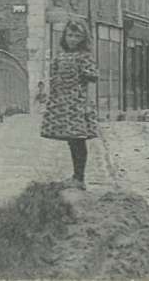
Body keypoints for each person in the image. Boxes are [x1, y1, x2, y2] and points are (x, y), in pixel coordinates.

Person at [40, 21, 98, 190]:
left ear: (83, 38)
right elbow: (54, 78)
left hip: (77, 102)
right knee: (71, 140)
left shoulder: (84, 56)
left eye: (77, 36)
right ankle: (75, 176)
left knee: (78, 139)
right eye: (70, 35)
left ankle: (79, 178)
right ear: (64, 37)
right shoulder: (60, 55)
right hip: (62, 101)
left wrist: (88, 104)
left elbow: (91, 81)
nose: (73, 39)